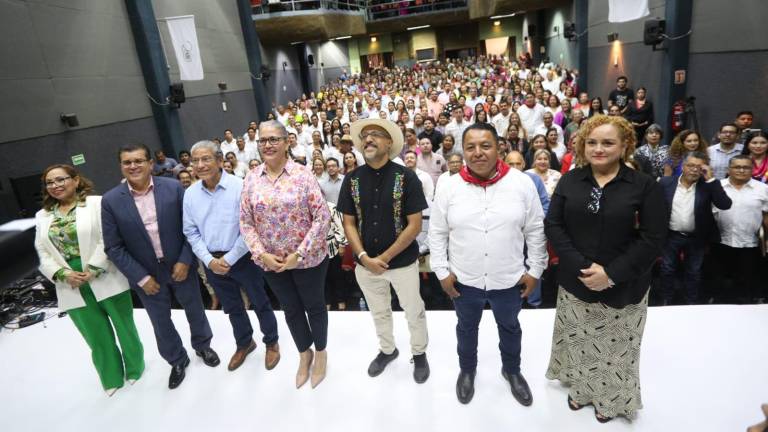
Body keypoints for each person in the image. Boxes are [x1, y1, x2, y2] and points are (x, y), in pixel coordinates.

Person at [544, 115, 668, 422]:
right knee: (579, 340)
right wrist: (583, 267)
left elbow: (653, 238)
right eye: (592, 142)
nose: (598, 149)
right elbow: (554, 225)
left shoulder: (644, 186)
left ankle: (610, 400)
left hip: (625, 284)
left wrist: (610, 274)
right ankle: (582, 389)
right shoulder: (571, 180)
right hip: (577, 280)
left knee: (615, 350)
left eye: (608, 142)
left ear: (625, 145)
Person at [429, 123, 547, 405]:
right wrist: (442, 272)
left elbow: (535, 230)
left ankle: (512, 370)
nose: (478, 153)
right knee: (466, 328)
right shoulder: (449, 186)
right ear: (463, 151)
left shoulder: (521, 183)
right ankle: (467, 371)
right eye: (470, 147)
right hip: (464, 279)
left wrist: (535, 271)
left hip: (509, 279)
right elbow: (437, 232)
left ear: (499, 148)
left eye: (485, 146)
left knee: (510, 327)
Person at [102, 143, 219, 390]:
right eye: (127, 162)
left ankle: (203, 346)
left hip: (180, 266)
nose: (133, 166)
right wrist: (141, 278)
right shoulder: (111, 201)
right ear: (121, 166)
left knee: (195, 310)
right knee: (160, 322)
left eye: (138, 161)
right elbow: (113, 247)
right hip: (146, 274)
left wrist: (185, 260)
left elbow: (191, 229)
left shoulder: (173, 188)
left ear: (150, 164)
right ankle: (177, 360)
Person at [34, 165, 144, 396]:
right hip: (69, 282)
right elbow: (41, 251)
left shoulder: (96, 203)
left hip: (103, 273)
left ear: (75, 180)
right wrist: (62, 274)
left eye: (61, 180)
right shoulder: (42, 216)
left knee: (124, 326)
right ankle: (110, 375)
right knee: (95, 333)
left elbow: (109, 237)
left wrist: (94, 267)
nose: (56, 186)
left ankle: (135, 367)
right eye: (50, 183)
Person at [337, 118, 431, 384]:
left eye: (376, 134)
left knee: (413, 310)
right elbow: (348, 222)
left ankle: (419, 353)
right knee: (378, 311)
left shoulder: (407, 177)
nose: (368, 139)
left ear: (389, 143)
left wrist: (384, 258)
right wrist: (365, 258)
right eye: (365, 136)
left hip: (401, 263)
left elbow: (414, 226)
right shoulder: (352, 179)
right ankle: (388, 350)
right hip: (365, 265)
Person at [240, 120, 332, 389]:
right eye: (263, 141)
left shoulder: (303, 175)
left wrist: (299, 254)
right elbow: (246, 222)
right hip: (272, 264)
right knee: (291, 310)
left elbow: (322, 217)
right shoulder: (251, 179)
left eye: (273, 139)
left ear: (286, 142)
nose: (267, 145)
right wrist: (261, 254)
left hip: (309, 260)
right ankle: (305, 354)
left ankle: (322, 354)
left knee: (314, 307)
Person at [182, 141, 281, 371]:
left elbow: (252, 226)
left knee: (260, 302)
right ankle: (245, 342)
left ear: (219, 160)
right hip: (212, 262)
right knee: (232, 307)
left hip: (243, 258)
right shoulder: (190, 195)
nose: (200, 164)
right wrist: (209, 260)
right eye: (195, 160)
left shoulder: (241, 186)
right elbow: (190, 231)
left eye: (205, 159)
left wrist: (230, 258)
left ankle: (272, 341)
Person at [658, 151, 731, 305]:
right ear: (683, 167)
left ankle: (691, 302)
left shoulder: (708, 186)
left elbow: (725, 205)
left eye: (699, 167)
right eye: (690, 165)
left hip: (696, 238)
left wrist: (711, 179)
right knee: (667, 270)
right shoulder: (665, 183)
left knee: (694, 272)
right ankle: (666, 300)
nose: (694, 169)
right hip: (671, 236)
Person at [711, 155, 768, 303]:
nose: (741, 170)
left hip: (749, 243)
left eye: (746, 167)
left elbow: (766, 216)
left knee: (746, 283)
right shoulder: (716, 186)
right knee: (719, 284)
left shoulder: (763, 189)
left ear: (752, 169)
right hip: (719, 242)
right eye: (737, 167)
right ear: (728, 169)